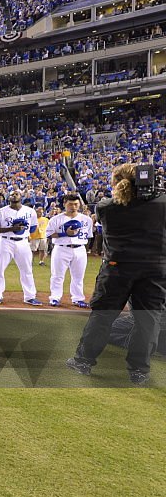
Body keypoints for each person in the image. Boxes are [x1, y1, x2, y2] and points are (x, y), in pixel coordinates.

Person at [68, 163, 166, 386]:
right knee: (148, 320)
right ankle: (139, 371)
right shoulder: (162, 204)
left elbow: (117, 206)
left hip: (117, 268)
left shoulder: (105, 206)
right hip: (155, 269)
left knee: (103, 315)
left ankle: (83, 361)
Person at [0, 190, 41, 305]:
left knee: (27, 270)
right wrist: (11, 229)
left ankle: (29, 296)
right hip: (5, 242)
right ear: (8, 197)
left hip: (23, 243)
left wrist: (22, 232)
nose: (13, 195)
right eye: (11, 194)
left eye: (16, 194)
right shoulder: (1, 212)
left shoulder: (30, 211)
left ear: (21, 196)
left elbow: (32, 228)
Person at [46, 194, 93, 307]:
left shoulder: (86, 219)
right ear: (64, 204)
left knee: (78, 276)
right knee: (57, 275)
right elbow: (49, 234)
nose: (74, 206)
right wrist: (64, 233)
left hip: (80, 249)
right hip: (61, 248)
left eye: (76, 204)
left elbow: (89, 236)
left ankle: (78, 298)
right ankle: (55, 297)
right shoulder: (56, 219)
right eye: (70, 204)